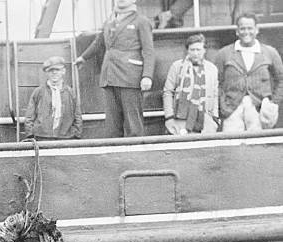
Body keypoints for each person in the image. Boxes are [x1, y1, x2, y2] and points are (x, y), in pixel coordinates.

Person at [75, 0, 154, 138]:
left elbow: (149, 51)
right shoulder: (110, 20)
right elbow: (98, 42)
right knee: (112, 124)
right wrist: (83, 57)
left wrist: (147, 76)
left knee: (133, 123)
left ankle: (136, 155)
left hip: (130, 76)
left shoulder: (141, 21)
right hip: (109, 75)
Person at [214, 13, 283, 132]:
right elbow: (215, 82)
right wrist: (222, 104)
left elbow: (281, 80)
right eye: (242, 28)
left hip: (259, 109)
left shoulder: (269, 52)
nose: (246, 32)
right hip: (231, 109)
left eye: (250, 28)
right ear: (237, 31)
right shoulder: (224, 53)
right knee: (231, 145)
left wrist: (274, 102)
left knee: (258, 145)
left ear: (257, 30)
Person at [162, 34, 219, 135]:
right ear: (187, 50)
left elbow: (215, 94)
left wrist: (215, 118)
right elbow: (168, 92)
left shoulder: (212, 69)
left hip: (205, 120)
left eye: (198, 50)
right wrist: (169, 117)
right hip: (181, 118)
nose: (195, 53)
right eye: (192, 50)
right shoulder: (177, 66)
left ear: (204, 50)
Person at [24, 56, 83, 140]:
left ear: (63, 71)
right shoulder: (39, 92)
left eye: (57, 70)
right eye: (51, 71)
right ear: (46, 73)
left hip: (66, 137)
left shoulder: (70, 92)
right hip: (42, 137)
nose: (54, 73)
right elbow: (29, 116)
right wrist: (30, 134)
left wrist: (77, 134)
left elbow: (77, 116)